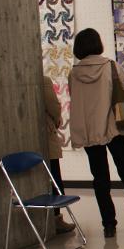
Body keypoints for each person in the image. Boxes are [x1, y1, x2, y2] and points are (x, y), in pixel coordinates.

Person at [68, 28, 124, 238]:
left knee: (100, 179)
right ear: (98, 44)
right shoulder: (111, 67)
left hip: (89, 131)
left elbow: (76, 100)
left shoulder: (74, 73)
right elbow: (122, 96)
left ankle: (108, 225)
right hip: (113, 129)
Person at [44, 76, 75, 234]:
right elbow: (54, 107)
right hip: (46, 137)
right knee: (54, 178)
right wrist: (57, 120)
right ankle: (56, 219)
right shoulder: (43, 81)